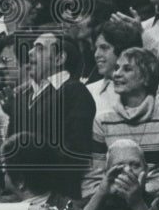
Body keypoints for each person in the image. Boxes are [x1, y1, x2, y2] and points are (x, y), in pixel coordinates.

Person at [89, 46, 159, 196]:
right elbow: (96, 177)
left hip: (157, 201)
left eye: (127, 69)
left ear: (146, 78)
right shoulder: (102, 120)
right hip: (113, 201)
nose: (116, 74)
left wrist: (148, 188)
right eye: (117, 68)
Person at [5, 32, 96, 199]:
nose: (30, 52)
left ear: (59, 59)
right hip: (20, 192)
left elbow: (77, 155)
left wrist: (34, 184)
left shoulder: (75, 92)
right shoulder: (21, 97)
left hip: (56, 195)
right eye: (32, 47)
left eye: (39, 49)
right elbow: (9, 151)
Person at [87, 19, 143, 114]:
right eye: (96, 49)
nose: (96, 54)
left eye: (104, 48)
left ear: (123, 50)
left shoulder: (151, 88)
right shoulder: (88, 91)